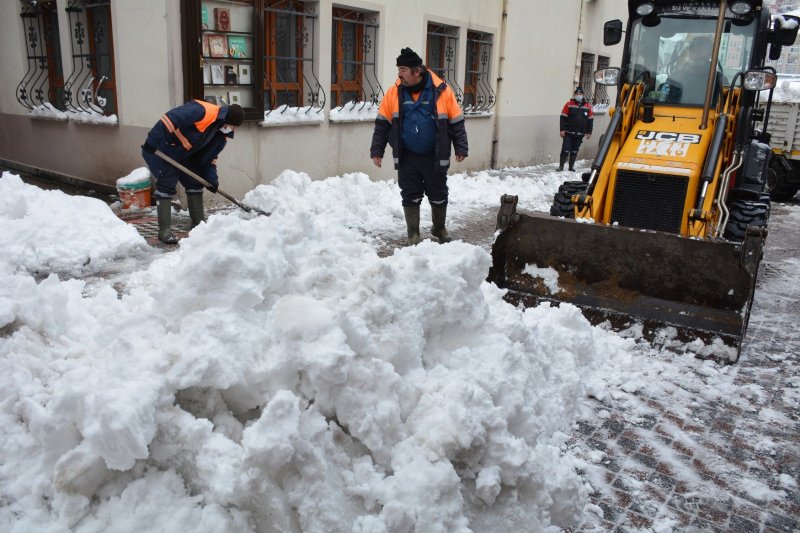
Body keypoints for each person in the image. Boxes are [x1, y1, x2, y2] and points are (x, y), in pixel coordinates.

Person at [370, 47, 469, 245]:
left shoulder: (441, 90)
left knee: (438, 193)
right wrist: (376, 150)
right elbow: (382, 123)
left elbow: (456, 120)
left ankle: (439, 228)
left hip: (435, 153)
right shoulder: (394, 93)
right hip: (408, 155)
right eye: (399, 69)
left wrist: (461, 147)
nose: (399, 74)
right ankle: (413, 233)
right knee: (409, 193)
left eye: (403, 69)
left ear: (417, 71)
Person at [141, 100, 244, 244]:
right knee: (166, 183)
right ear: (227, 119)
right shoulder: (202, 111)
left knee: (195, 183)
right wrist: (152, 141)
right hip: (162, 150)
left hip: (185, 156)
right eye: (233, 126)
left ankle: (198, 225)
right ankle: (164, 231)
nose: (233, 130)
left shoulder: (221, 134)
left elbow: (210, 158)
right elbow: (169, 119)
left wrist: (211, 181)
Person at [558, 87, 593, 172]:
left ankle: (571, 167)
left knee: (574, 151)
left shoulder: (588, 106)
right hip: (569, 133)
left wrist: (589, 132)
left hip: (580, 133)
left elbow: (590, 120)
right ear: (574, 95)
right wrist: (562, 130)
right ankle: (561, 167)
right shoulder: (569, 104)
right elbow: (563, 118)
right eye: (577, 94)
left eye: (580, 94)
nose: (578, 96)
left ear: (583, 95)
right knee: (566, 150)